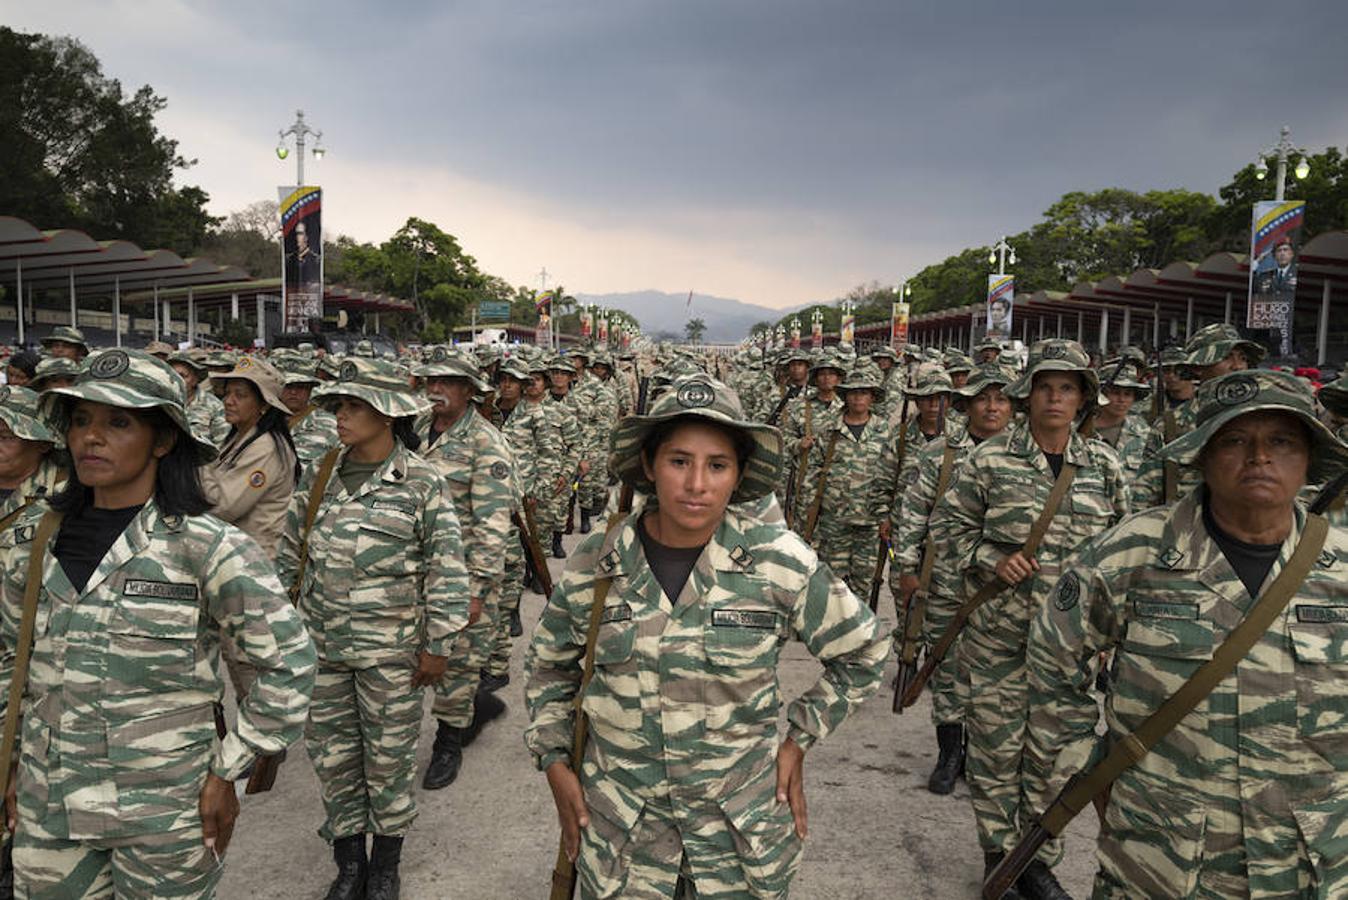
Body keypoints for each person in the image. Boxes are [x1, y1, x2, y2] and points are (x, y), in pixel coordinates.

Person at [524, 373, 888, 898]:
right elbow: (550, 667)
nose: (697, 484)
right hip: (625, 837)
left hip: (737, 839)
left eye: (717, 465)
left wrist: (798, 740)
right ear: (649, 466)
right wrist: (556, 763)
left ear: (738, 476)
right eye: (679, 461)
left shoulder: (777, 560)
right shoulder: (597, 560)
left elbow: (865, 649)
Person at [0, 348, 315, 897]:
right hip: (50, 805)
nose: (90, 438)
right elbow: (9, 660)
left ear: (163, 440)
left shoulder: (205, 547)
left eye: (118, 422)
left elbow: (289, 664)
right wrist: (7, 761)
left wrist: (229, 769)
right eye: (80, 420)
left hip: (165, 812)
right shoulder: (35, 542)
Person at [1024, 368, 1348, 898]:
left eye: (1282, 441)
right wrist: (1088, 774)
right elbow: (1051, 664)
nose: (1259, 457)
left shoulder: (1341, 568)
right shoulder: (1133, 554)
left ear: (1309, 458)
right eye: (1235, 440)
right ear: (1202, 456)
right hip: (1162, 860)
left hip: (1311, 862)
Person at [930, 339, 1128, 899]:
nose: (1055, 398)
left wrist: (1114, 634)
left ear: (1083, 398)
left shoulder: (1105, 468)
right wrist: (991, 557)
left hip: (1071, 647)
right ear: (1029, 394)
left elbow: (1124, 554)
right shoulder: (988, 460)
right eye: (1045, 387)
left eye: (1067, 388)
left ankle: (1036, 859)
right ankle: (1001, 855)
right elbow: (947, 531)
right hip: (999, 637)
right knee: (995, 752)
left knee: (1056, 759)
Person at [275, 357, 467, 900]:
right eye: (339, 405)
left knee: (388, 762)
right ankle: (349, 864)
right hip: (323, 649)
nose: (340, 416)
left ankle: (385, 865)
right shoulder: (320, 474)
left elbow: (446, 568)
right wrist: (281, 636)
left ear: (385, 414)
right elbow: (292, 555)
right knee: (335, 761)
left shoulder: (421, 482)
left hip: (391, 655)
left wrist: (438, 647)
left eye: (353, 406)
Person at [891, 362, 1015, 796]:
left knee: (993, 670)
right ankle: (949, 753)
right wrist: (907, 566)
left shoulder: (1025, 453)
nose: (992, 407)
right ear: (967, 405)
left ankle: (982, 754)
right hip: (943, 576)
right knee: (944, 666)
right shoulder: (941, 452)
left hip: (1002, 585)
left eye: (1001, 398)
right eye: (983, 398)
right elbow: (913, 511)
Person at [412, 352, 513, 791]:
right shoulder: (416, 431)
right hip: (417, 570)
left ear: (469, 391)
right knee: (421, 657)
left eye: (448, 382)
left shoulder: (485, 443)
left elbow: (493, 526)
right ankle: (478, 704)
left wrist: (474, 591)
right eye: (432, 379)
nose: (436, 388)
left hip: (463, 573)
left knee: (458, 662)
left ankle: (448, 744)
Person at [1132, 324, 1264, 510]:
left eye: (1242, 358)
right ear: (1198, 367)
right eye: (1226, 357)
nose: (1238, 366)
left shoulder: (1264, 420)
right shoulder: (1171, 426)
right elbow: (1143, 497)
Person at [802, 361, 896, 595]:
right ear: (845, 397)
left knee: (865, 581)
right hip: (835, 519)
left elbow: (893, 474)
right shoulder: (829, 430)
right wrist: (807, 517)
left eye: (863, 393)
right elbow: (812, 473)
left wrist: (889, 515)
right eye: (853, 393)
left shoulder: (885, 431)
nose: (857, 399)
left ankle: (860, 628)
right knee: (831, 581)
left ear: (872, 397)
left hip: (870, 521)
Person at [275, 359, 341, 474]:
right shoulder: (260, 420)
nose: (294, 392)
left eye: (300, 387)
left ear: (310, 389)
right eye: (288, 386)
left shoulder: (330, 424)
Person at [1093, 361, 1152, 483]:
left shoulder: (1144, 433)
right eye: (1115, 393)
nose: (1121, 400)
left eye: (1127, 394)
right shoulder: (1079, 431)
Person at [169, 350, 229, 447]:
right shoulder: (160, 402)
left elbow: (221, 445)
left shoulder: (214, 406)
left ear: (195, 380)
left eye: (182, 376)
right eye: (172, 375)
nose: (176, 380)